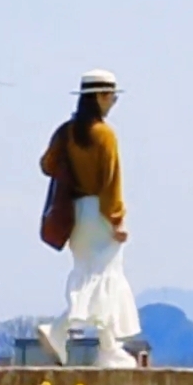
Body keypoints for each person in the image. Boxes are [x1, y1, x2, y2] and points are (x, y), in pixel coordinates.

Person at [38, 68, 140, 367]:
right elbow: (111, 183)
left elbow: (47, 165)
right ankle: (60, 329)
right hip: (99, 213)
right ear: (101, 97)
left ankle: (109, 348)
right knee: (105, 276)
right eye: (111, 97)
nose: (113, 102)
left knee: (94, 274)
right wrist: (117, 219)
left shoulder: (66, 132)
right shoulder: (104, 134)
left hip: (76, 214)